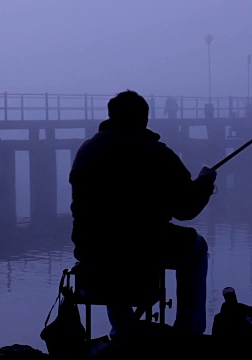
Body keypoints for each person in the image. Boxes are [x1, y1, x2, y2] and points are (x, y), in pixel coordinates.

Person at [69, 90, 217, 338]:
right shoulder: (156, 153)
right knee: (196, 249)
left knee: (109, 250)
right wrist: (204, 182)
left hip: (89, 245)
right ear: (144, 119)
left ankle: (123, 330)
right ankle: (188, 332)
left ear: (111, 116)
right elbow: (186, 209)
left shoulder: (87, 150)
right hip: (143, 245)